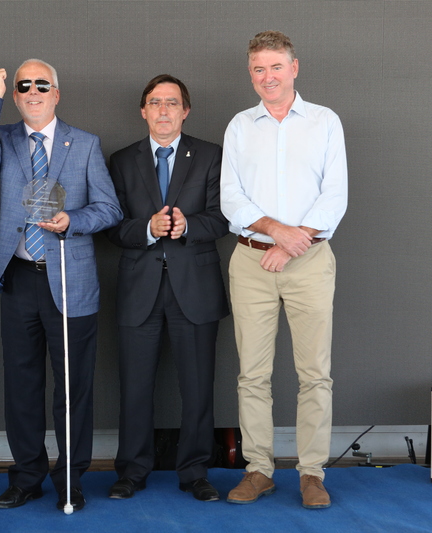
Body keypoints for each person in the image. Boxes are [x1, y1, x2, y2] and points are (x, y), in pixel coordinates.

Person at [0, 59, 122, 512]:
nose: (32, 92)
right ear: (16, 96)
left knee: (72, 388)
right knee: (22, 385)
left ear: (56, 93)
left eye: (41, 85)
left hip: (70, 280)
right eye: (23, 86)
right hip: (18, 278)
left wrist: (73, 220)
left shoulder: (85, 143)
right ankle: (26, 477)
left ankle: (70, 480)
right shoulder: (5, 139)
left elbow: (109, 209)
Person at [220, 30, 347, 509]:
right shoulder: (240, 126)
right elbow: (230, 196)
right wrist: (276, 232)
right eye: (259, 69)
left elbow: (335, 194)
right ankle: (259, 469)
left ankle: (312, 473)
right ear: (250, 73)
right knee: (252, 374)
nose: (267, 76)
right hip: (251, 260)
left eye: (276, 67)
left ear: (294, 68)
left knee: (315, 373)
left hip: (310, 259)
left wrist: (294, 244)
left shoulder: (324, 121)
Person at [106, 75, 229, 502]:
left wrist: (188, 225)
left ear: (185, 111)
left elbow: (225, 217)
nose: (163, 110)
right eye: (155, 102)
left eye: (172, 103)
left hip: (195, 287)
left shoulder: (211, 155)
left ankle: (195, 472)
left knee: (197, 387)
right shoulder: (122, 160)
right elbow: (111, 225)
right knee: (134, 387)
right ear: (143, 111)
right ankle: (132, 471)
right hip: (138, 288)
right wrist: (146, 228)